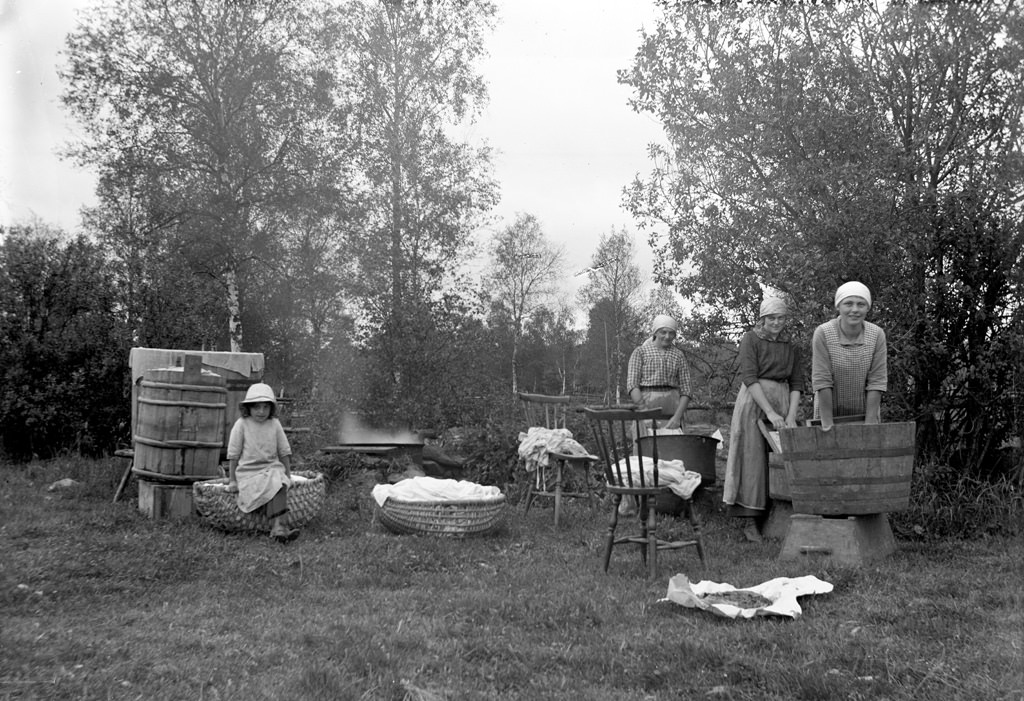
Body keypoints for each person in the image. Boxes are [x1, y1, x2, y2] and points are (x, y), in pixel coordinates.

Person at [722, 297, 803, 542]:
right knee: (751, 457)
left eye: (780, 318)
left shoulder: (792, 345)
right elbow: (749, 376)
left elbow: (797, 382)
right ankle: (749, 520)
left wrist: (790, 416)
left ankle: (778, 517)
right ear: (762, 319)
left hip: (782, 400)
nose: (776, 323)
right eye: (771, 318)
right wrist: (769, 412)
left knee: (782, 458)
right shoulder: (751, 339)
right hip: (754, 402)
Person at [225, 382, 298, 543]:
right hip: (249, 473)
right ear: (248, 408)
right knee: (273, 483)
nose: (261, 412)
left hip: (272, 469)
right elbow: (233, 455)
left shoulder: (274, 424)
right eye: (257, 407)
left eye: (265, 407)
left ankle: (279, 527)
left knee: (279, 484)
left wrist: (288, 475)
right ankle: (279, 527)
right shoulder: (242, 425)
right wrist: (232, 480)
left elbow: (284, 451)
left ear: (271, 409)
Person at [811, 281, 887, 429]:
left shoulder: (877, 334)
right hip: (828, 414)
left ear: (867, 308)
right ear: (838, 306)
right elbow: (822, 380)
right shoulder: (823, 333)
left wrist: (870, 424)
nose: (854, 309)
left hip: (865, 414)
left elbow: (877, 381)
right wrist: (827, 425)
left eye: (861, 304)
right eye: (848, 304)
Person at [626, 314, 692, 430]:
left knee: (672, 446)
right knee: (645, 446)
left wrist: (677, 417)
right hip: (645, 408)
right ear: (655, 332)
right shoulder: (640, 352)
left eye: (671, 333)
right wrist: (645, 414)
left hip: (673, 412)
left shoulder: (679, 355)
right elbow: (632, 385)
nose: (667, 336)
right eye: (663, 332)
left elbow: (687, 390)